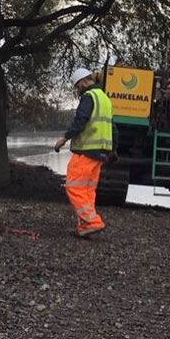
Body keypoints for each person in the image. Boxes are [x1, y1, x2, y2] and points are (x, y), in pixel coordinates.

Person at [54, 67, 116, 238]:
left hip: (86, 150)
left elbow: (80, 120)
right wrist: (113, 149)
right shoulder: (105, 99)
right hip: (100, 153)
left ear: (83, 82)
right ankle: (85, 226)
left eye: (77, 86)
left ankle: (93, 221)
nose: (77, 90)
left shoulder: (89, 97)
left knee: (73, 186)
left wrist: (65, 138)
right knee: (88, 190)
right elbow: (113, 127)